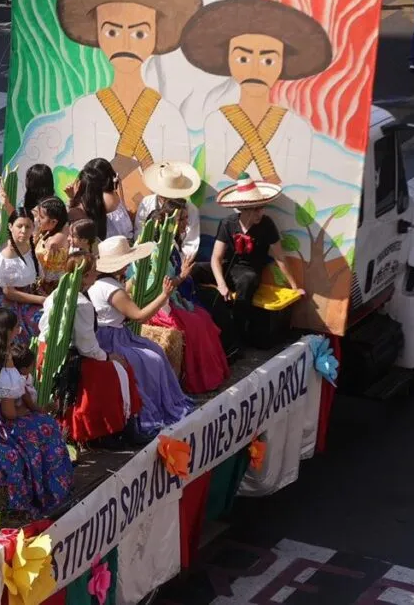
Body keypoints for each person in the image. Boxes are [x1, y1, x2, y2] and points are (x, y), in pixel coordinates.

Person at [50, 0, 201, 207]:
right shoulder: (86, 108)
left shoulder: (168, 114)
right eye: (112, 30)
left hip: (152, 217)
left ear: (155, 36)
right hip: (105, 216)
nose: (125, 42)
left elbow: (179, 186)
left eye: (140, 32)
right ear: (97, 32)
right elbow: (86, 176)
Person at [180, 0, 333, 189]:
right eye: (243, 58)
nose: (255, 69)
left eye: (267, 60)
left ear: (282, 64)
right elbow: (215, 181)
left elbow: (298, 187)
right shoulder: (217, 121)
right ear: (228, 60)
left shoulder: (296, 127)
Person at [0, 308, 74, 515]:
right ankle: (49, 492)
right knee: (46, 428)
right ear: (8, 331)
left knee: (43, 422)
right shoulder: (2, 362)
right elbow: (9, 413)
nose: (19, 330)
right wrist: (27, 413)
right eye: (17, 327)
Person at [88, 235, 192, 433]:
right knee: (152, 360)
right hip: (110, 340)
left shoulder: (107, 283)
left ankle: (166, 402)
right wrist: (164, 295)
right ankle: (152, 411)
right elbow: (140, 316)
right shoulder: (112, 290)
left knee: (157, 352)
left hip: (118, 335)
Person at [40, 251, 143, 446]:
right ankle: (111, 431)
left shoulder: (55, 294)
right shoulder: (82, 304)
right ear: (85, 276)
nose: (96, 274)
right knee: (120, 369)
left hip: (46, 354)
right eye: (94, 271)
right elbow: (87, 347)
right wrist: (108, 356)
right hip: (72, 360)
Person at [190, 173, 303, 345]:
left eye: (261, 207)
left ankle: (236, 335)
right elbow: (216, 258)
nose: (260, 212)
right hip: (227, 268)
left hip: (248, 271)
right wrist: (221, 284)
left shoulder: (267, 225)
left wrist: (295, 286)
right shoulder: (228, 223)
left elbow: (280, 257)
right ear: (244, 208)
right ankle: (195, 314)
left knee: (247, 281)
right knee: (194, 270)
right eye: (255, 209)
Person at [131, 200, 230, 394]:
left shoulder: (171, 245)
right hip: (159, 306)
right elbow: (162, 284)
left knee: (204, 318)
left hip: (173, 298)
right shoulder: (155, 251)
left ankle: (213, 373)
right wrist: (183, 275)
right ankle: (196, 380)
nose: (186, 223)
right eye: (181, 219)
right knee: (196, 327)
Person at [0, 207, 45, 343]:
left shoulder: (28, 246)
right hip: (8, 302)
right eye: (19, 226)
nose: (24, 231)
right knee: (34, 321)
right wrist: (42, 300)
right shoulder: (7, 255)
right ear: (10, 226)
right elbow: (9, 293)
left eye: (28, 226)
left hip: (26, 295)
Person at [136, 161, 202, 262]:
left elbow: (190, 247)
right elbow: (140, 233)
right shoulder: (146, 203)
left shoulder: (191, 210)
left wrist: (175, 264)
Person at [33, 196, 69, 294]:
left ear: (54, 222)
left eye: (41, 217)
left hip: (49, 291)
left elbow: (48, 277)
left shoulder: (54, 243)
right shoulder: (50, 230)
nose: (37, 220)